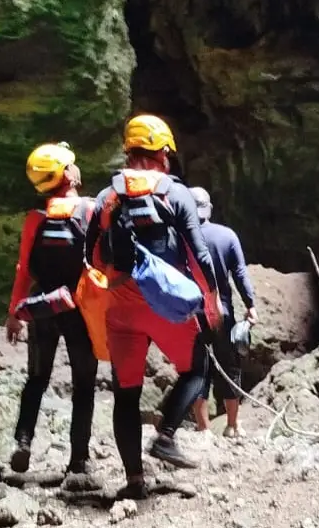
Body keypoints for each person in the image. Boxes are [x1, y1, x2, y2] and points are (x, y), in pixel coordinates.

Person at [83, 114, 221, 499]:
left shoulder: (107, 196)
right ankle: (166, 435)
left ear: (129, 152)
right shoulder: (176, 194)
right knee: (197, 368)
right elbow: (199, 254)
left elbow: (91, 253)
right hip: (166, 305)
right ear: (163, 153)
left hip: (121, 307)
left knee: (126, 394)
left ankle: (134, 482)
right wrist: (210, 299)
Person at [6, 141, 98, 478]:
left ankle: (23, 442)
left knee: (36, 379)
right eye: (71, 165)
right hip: (79, 309)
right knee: (84, 385)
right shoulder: (90, 210)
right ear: (68, 176)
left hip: (42, 308)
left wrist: (14, 313)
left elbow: (24, 270)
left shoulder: (35, 219)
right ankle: (78, 461)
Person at [187, 186, 259, 438]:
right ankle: (232, 425)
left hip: (192, 315)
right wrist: (250, 304)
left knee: (198, 370)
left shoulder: (179, 238)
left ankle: (203, 429)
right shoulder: (227, 236)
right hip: (223, 313)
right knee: (229, 368)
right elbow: (239, 273)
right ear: (209, 209)